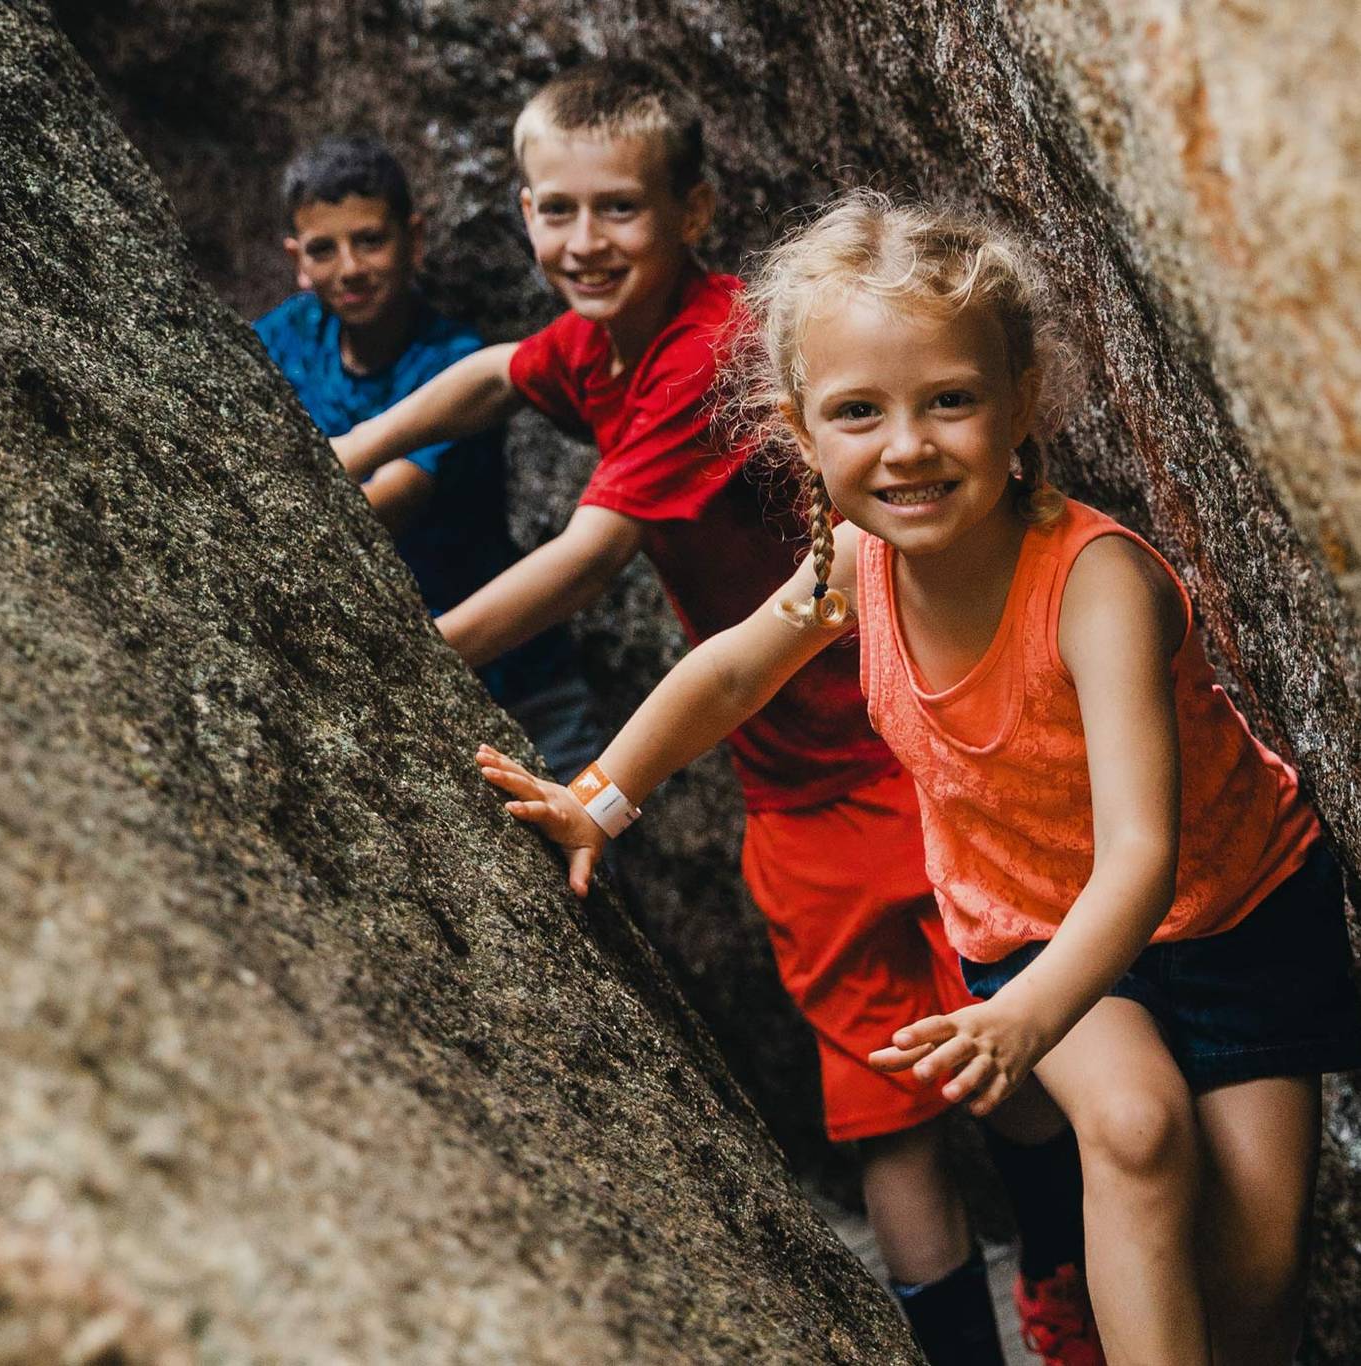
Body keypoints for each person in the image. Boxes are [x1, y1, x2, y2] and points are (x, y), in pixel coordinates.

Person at [477, 188, 1361, 1366]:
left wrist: (1017, 1026)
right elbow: (730, 675)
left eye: (950, 400)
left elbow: (1142, 855)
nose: (908, 445)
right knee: (1138, 1131)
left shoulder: (1097, 586)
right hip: (1035, 924)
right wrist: (599, 799)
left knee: (1257, 1276)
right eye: (859, 410)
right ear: (799, 430)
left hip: (1237, 906)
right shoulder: (855, 561)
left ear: (1018, 404)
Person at [334, 64, 1099, 1365]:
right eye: (555, 211)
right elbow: (487, 378)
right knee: (889, 1108)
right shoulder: (604, 338)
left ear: (693, 208)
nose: (583, 243)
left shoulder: (711, 350)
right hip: (796, 783)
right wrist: (341, 456)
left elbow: (590, 555)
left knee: (1005, 1061)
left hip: (909, 748)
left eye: (618, 209)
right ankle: (1017, 1328)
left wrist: (406, 657)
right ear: (520, 211)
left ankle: (1063, 1307)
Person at [255, 135, 595, 779]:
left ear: (414, 238)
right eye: (324, 249)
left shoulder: (451, 362)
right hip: (393, 663)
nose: (350, 267)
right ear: (298, 260)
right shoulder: (286, 337)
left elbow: (390, 504)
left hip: (518, 680)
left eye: (370, 240)